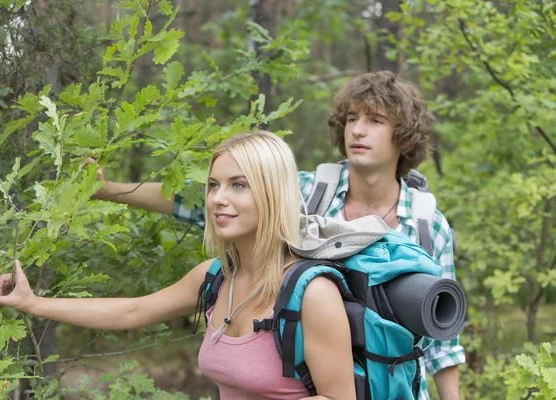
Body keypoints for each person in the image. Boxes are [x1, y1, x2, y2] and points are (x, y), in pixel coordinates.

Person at [87, 71, 466, 399]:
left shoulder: (426, 224)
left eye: (376, 120)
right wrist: (109, 189)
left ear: (404, 134)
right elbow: (190, 201)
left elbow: (442, 339)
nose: (358, 129)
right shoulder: (305, 193)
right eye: (351, 118)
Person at [0, 131, 356, 400]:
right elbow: (132, 311)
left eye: (238, 185)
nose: (217, 199)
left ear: (273, 192)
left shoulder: (313, 293)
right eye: (213, 185)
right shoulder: (215, 276)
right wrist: (32, 303)